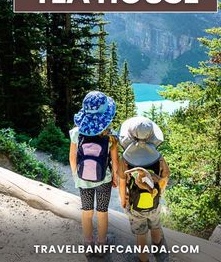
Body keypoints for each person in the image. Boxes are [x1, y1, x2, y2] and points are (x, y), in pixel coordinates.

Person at [69, 91, 118, 252]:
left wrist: (77, 176)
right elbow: (115, 161)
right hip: (104, 179)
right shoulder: (110, 135)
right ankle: (102, 243)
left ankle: (88, 242)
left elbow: (72, 158)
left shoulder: (76, 132)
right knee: (102, 211)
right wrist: (115, 177)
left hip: (83, 179)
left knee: (86, 211)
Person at [118, 116, 170, 262]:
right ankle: (160, 255)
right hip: (154, 202)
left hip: (134, 205)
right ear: (151, 136)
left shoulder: (125, 159)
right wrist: (160, 192)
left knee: (141, 234)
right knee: (155, 227)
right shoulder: (158, 157)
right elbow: (165, 176)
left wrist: (123, 201)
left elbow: (122, 182)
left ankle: (143, 259)